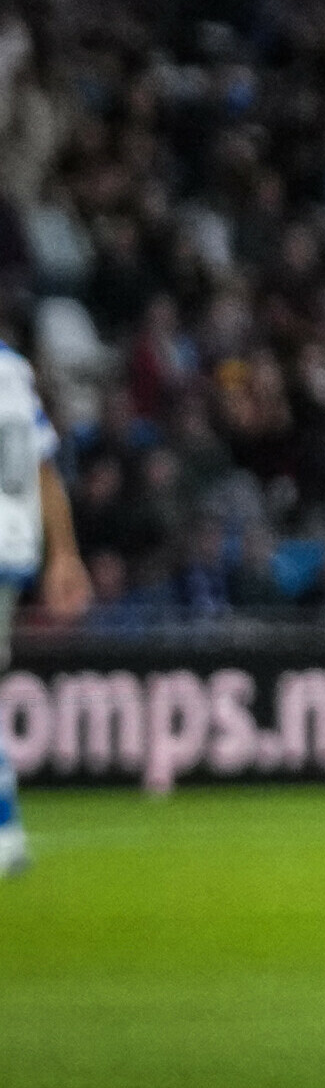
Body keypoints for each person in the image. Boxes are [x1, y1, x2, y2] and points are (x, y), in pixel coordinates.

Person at [0, 324, 91, 876]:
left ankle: (5, 828)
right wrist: (64, 553)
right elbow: (43, 467)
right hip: (11, 544)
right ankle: (5, 826)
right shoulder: (11, 368)